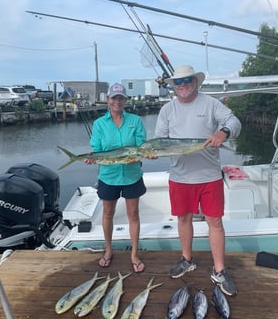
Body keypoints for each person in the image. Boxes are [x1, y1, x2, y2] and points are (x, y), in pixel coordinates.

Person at [154, 65, 241, 295]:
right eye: (178, 81)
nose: (183, 84)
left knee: (215, 222)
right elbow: (159, 140)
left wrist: (224, 133)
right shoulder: (167, 110)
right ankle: (186, 259)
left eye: (187, 80)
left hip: (209, 176)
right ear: (173, 85)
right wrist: (152, 151)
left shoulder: (210, 103)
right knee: (183, 219)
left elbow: (234, 121)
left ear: (195, 81)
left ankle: (219, 270)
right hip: (180, 176)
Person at [85, 83, 147, 273]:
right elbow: (96, 147)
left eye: (120, 98)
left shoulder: (135, 121)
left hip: (132, 174)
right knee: (107, 214)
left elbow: (141, 145)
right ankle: (108, 250)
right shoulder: (99, 124)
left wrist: (136, 156)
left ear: (125, 100)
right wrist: (92, 155)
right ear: (108, 100)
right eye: (114, 98)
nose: (117, 102)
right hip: (108, 176)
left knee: (133, 215)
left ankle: (134, 254)